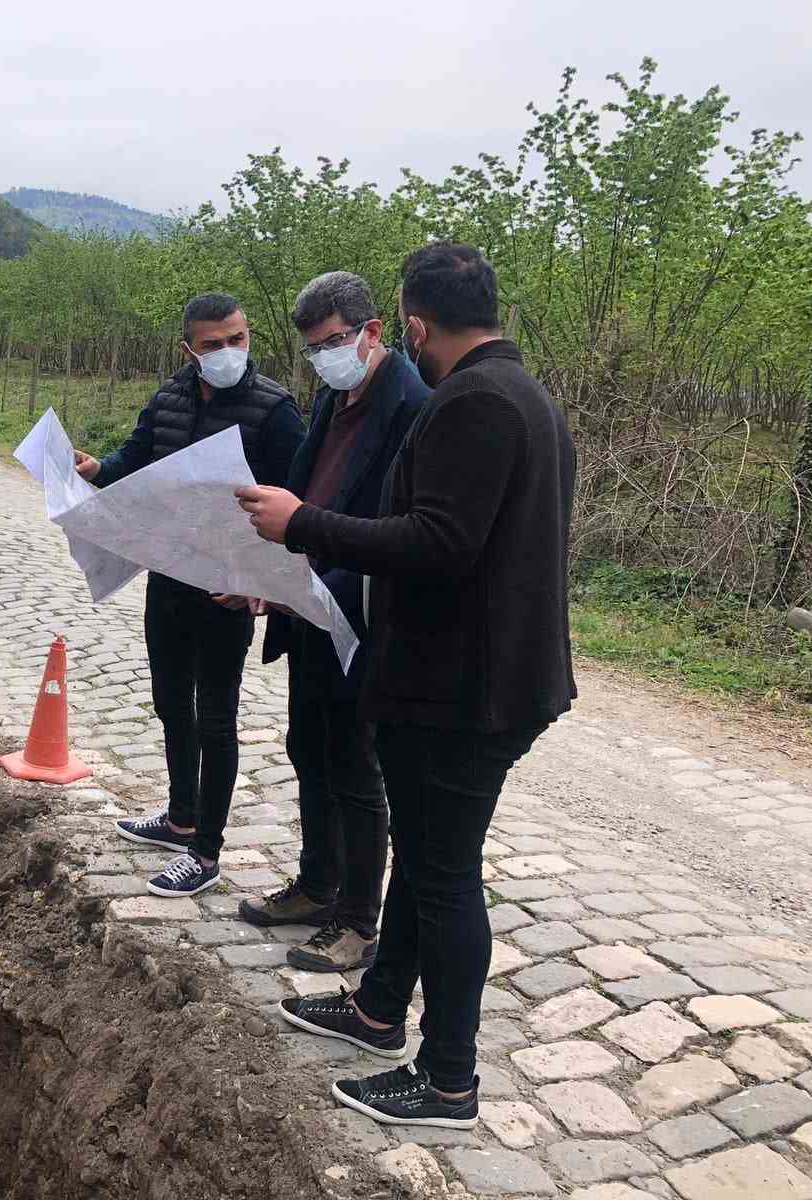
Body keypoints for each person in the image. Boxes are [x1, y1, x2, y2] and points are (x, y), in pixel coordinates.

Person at [236, 243, 576, 1129]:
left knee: (447, 879)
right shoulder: (522, 395)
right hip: (476, 677)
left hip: (466, 689)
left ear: (414, 324)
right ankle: (379, 1010)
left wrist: (304, 524)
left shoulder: (475, 403)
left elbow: (437, 541)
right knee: (429, 869)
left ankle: (449, 1080)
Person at [74, 293, 306, 898]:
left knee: (215, 716)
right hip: (169, 575)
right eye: (212, 344)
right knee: (170, 700)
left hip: (227, 591)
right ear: (189, 349)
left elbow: (301, 507)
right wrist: (98, 470)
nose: (228, 352)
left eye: (237, 339)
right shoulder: (172, 397)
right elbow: (136, 458)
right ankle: (180, 817)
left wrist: (258, 585)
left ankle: (206, 850)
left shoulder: (276, 411)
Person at [237, 272, 430, 974]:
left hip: (358, 617)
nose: (324, 357)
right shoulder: (331, 397)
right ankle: (316, 887)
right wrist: (266, 577)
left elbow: (392, 531)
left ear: (373, 331)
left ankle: (357, 921)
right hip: (305, 605)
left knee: (354, 768)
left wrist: (319, 586)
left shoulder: (414, 407)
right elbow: (304, 491)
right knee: (307, 750)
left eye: (335, 342)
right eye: (314, 348)